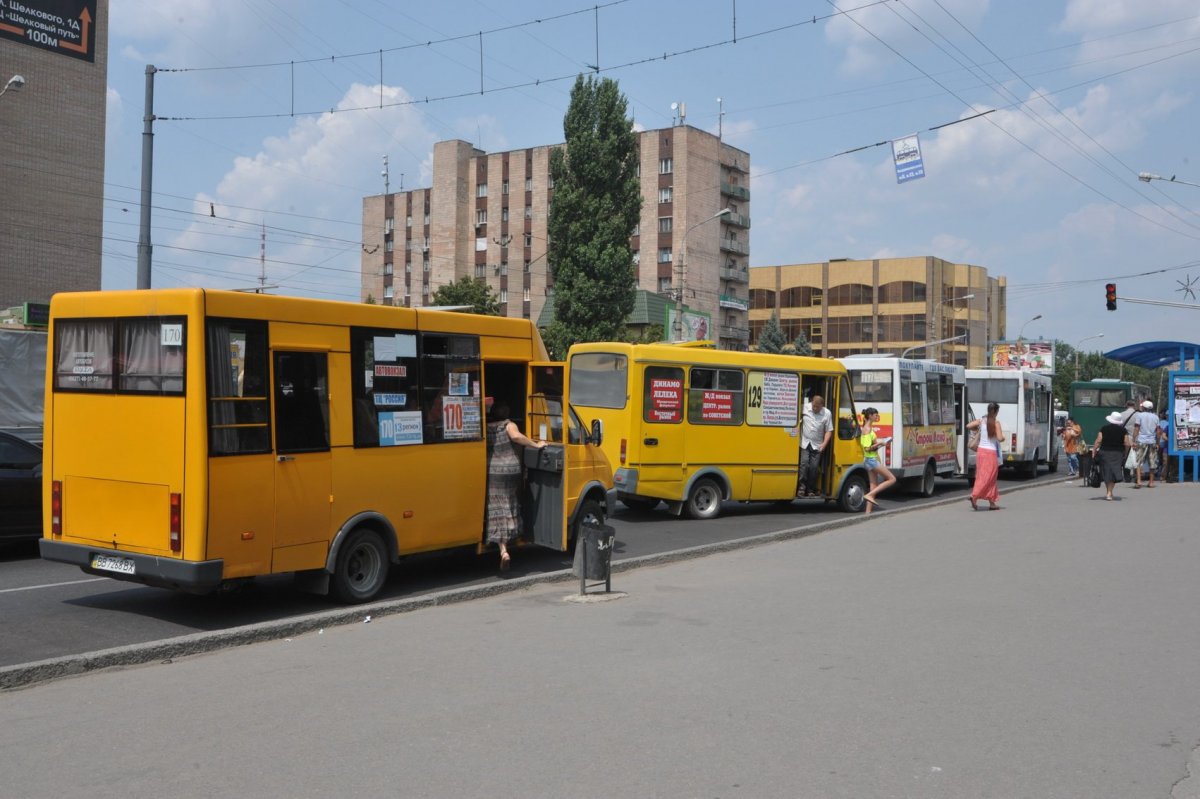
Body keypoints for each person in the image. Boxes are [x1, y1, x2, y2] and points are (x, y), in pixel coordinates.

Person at [485, 400, 546, 571]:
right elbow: (516, 437)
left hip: (493, 470)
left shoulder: (487, 426)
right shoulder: (508, 425)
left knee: (496, 508)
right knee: (509, 504)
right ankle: (514, 533)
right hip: (510, 469)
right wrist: (536, 444)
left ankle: (503, 550)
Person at [967, 401, 1003, 510]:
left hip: (981, 452)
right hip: (991, 453)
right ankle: (974, 495)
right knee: (989, 477)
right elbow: (1000, 438)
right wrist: (1003, 437)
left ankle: (992, 503)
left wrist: (978, 427)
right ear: (996, 412)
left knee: (982, 476)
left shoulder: (981, 421)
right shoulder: (996, 423)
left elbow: (968, 425)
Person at [858, 407, 895, 513]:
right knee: (892, 479)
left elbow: (871, 447)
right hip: (871, 460)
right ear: (870, 416)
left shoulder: (869, 428)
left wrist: (882, 443)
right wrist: (880, 443)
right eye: (875, 415)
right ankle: (868, 495)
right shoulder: (867, 429)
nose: (877, 416)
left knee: (873, 487)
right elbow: (867, 448)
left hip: (870, 459)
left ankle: (867, 514)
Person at [797, 394, 833, 497]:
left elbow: (829, 430)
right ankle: (801, 488)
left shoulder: (827, 413)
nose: (815, 408)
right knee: (804, 465)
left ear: (822, 405)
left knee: (814, 467)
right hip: (804, 442)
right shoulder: (804, 407)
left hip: (817, 445)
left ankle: (810, 489)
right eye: (813, 406)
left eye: (817, 407)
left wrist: (824, 444)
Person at [1092, 410, 1131, 501]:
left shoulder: (1104, 428)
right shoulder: (1123, 430)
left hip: (1104, 452)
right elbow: (1127, 444)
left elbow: (1098, 440)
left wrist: (1094, 450)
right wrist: (1125, 453)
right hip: (1118, 453)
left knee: (1106, 472)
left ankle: (1108, 492)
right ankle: (1109, 492)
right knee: (1114, 472)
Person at [1131, 400, 1159, 489]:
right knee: (1152, 462)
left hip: (1141, 441)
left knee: (1138, 461)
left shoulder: (1139, 415)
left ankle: (1139, 481)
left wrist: (1134, 440)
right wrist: (1157, 442)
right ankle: (1151, 482)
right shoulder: (1156, 417)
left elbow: (1136, 428)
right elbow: (1158, 431)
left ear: (1144, 407)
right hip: (1152, 441)